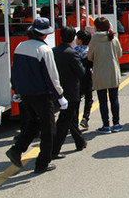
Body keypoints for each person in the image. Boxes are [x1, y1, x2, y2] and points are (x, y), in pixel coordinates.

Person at [6, 17, 66, 174]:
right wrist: (59, 95)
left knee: (33, 123)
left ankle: (17, 149)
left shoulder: (20, 46)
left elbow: (15, 70)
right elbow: (52, 76)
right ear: (45, 34)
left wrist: (16, 90)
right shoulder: (44, 50)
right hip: (41, 94)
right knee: (48, 130)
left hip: (25, 93)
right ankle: (42, 163)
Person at [52, 26, 86, 158]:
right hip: (71, 91)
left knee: (70, 118)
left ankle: (80, 141)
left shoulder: (54, 51)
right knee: (65, 121)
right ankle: (55, 149)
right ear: (73, 39)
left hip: (57, 89)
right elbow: (80, 72)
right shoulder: (72, 54)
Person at [88, 17, 123, 134]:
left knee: (102, 101)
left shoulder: (94, 40)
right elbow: (119, 54)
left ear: (97, 27)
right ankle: (116, 123)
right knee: (114, 99)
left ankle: (106, 125)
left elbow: (90, 57)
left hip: (100, 72)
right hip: (113, 71)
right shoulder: (113, 38)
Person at [75, 30, 93, 129]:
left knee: (77, 99)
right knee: (88, 98)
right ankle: (85, 118)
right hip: (87, 77)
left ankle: (75, 119)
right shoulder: (89, 52)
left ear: (80, 40)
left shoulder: (74, 51)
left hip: (77, 78)